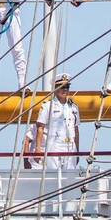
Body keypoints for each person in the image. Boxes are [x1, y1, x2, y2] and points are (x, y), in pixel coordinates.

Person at [30, 73, 82, 208]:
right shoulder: (47, 106)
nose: (65, 90)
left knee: (70, 178)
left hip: (70, 146)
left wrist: (77, 151)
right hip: (54, 145)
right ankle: (51, 207)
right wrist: (37, 150)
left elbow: (76, 130)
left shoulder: (74, 107)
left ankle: (68, 207)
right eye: (62, 87)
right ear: (55, 88)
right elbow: (40, 127)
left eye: (67, 87)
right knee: (53, 178)